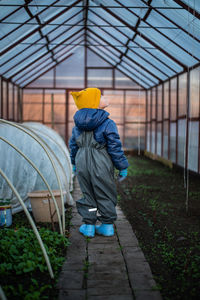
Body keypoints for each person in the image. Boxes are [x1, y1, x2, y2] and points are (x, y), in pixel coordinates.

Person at [69, 88, 129, 237]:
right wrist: (122, 166)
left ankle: (89, 225)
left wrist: (74, 162)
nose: (104, 97)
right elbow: (114, 147)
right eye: (100, 96)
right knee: (105, 192)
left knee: (87, 193)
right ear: (94, 102)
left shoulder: (77, 125)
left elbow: (73, 145)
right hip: (100, 161)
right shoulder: (108, 123)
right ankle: (107, 225)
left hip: (82, 159)